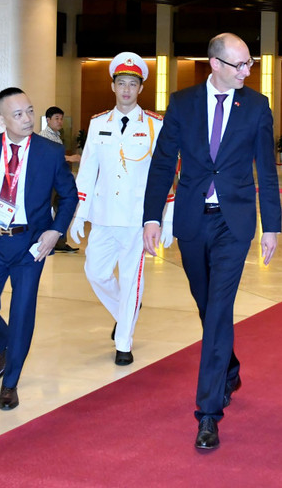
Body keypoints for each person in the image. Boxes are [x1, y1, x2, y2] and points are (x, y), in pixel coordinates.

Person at [142, 33, 282, 450]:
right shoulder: (182, 103)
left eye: (249, 64)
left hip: (234, 222)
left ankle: (208, 413)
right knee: (206, 305)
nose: (248, 71)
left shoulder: (256, 106)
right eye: (240, 64)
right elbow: (163, 161)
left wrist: (271, 225)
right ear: (215, 64)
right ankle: (229, 365)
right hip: (191, 219)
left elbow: (266, 169)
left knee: (220, 308)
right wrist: (151, 216)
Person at [0, 87, 78, 410]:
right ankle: (7, 348)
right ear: (2, 120)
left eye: (29, 111)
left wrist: (55, 231)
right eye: (18, 114)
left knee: (22, 313)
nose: (27, 119)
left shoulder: (49, 153)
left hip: (31, 244)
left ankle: (10, 383)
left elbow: (69, 196)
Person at [69, 52, 174, 366]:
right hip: (103, 216)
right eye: (121, 83)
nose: (126, 89)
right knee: (95, 272)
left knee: (131, 280)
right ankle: (126, 310)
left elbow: (165, 173)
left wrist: (168, 216)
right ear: (113, 86)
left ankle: (124, 342)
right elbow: (87, 169)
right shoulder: (99, 123)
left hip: (137, 219)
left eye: (132, 84)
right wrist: (79, 211)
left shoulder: (156, 125)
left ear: (140, 88)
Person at [40, 106, 80, 253]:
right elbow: (49, 158)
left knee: (61, 209)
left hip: (58, 180)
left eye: (61, 118)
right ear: (48, 120)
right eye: (56, 118)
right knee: (45, 208)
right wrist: (71, 158)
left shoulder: (56, 136)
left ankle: (60, 242)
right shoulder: (44, 136)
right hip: (48, 181)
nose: (60, 121)